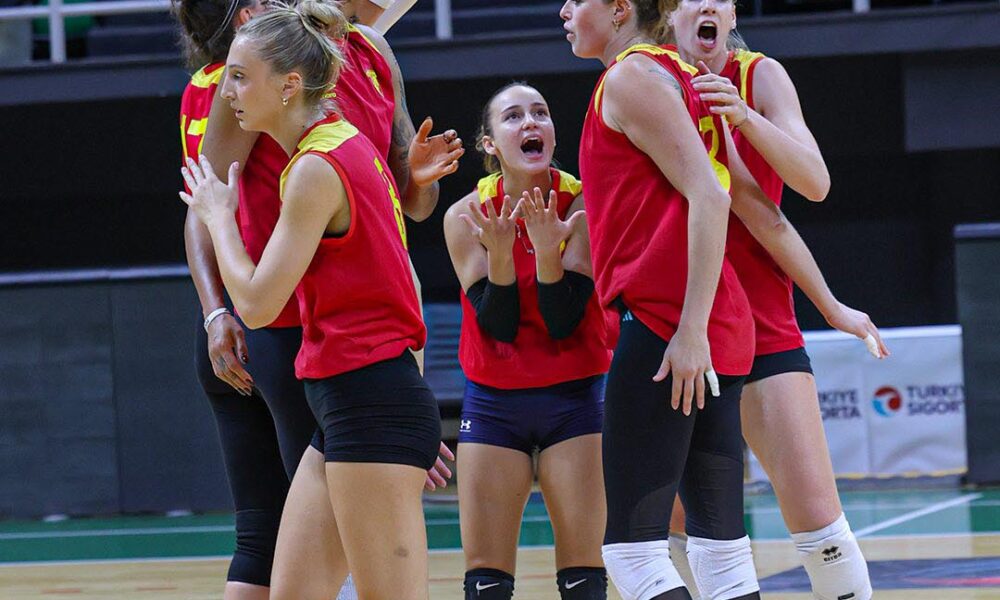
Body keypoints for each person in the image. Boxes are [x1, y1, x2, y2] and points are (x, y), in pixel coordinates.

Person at [177, 0, 459, 594]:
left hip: (370, 400)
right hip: (342, 397)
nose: (225, 90)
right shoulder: (329, 149)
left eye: (239, 76)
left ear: (288, 86)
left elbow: (258, 304)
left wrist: (221, 218)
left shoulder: (318, 166)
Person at [664, 2, 886, 598]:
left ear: (732, 12)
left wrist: (743, 118)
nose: (706, 4)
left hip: (762, 320)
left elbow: (813, 184)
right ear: (667, 12)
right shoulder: (645, 79)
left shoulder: (760, 75)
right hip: (674, 324)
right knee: (679, 529)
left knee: (821, 524)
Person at [562, 0, 762, 597]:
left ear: (620, 9)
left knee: (633, 554)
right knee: (721, 553)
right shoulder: (674, 72)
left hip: (669, 326)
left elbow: (712, 197)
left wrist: (690, 330)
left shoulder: (631, 77)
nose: (565, 10)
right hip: (705, 320)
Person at [443, 82, 612, 600]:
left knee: (584, 577)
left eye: (540, 112)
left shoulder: (584, 203)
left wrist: (545, 251)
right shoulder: (465, 215)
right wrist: (499, 255)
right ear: (490, 143)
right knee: (486, 582)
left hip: (575, 397)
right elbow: (499, 325)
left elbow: (563, 320)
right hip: (493, 401)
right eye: (513, 117)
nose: (531, 122)